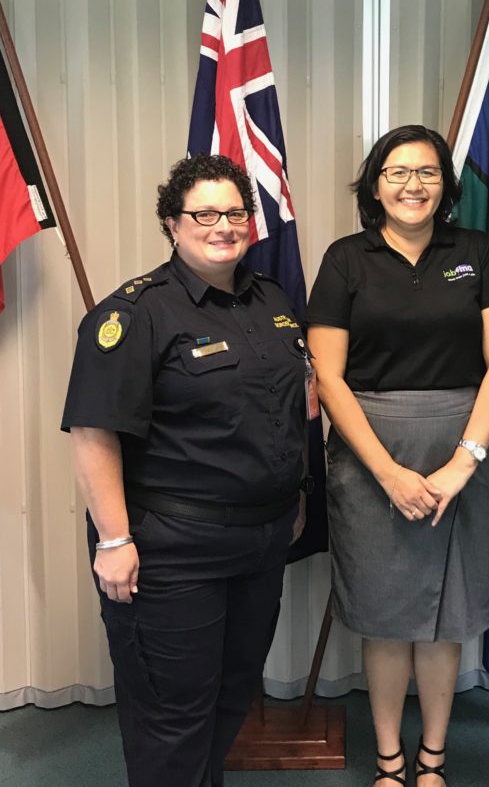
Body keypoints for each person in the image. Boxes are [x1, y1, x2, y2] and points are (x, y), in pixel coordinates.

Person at [61, 154, 310, 787]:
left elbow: (287, 405)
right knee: (173, 718)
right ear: (172, 223)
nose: (223, 225)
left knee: (231, 699)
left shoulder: (273, 300)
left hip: (259, 543)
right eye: (205, 213)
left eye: (234, 212)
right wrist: (114, 540)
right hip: (171, 550)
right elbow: (93, 432)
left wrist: (294, 490)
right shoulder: (135, 314)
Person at [306, 124, 489, 786]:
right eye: (397, 172)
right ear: (375, 185)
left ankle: (433, 757)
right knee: (386, 614)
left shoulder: (479, 252)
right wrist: (389, 473)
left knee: (446, 616)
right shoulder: (346, 259)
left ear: (445, 186)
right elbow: (329, 375)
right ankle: (390, 761)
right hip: (372, 456)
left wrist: (464, 462)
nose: (412, 185)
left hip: (464, 450)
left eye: (426, 172)